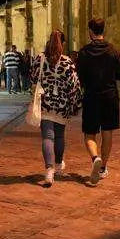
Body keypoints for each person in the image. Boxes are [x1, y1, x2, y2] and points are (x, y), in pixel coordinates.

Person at [76, 18, 120, 184]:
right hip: (110, 97)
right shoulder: (113, 50)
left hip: (91, 97)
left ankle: (95, 158)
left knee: (89, 134)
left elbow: (79, 78)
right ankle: (103, 167)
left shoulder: (84, 52)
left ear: (91, 31)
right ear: (103, 30)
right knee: (107, 132)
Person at [30, 30, 82, 186]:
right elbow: (74, 86)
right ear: (63, 43)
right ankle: (58, 164)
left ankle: (49, 170)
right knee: (59, 137)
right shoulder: (67, 62)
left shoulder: (39, 59)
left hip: (45, 103)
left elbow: (32, 79)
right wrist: (75, 105)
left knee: (47, 137)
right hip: (62, 105)